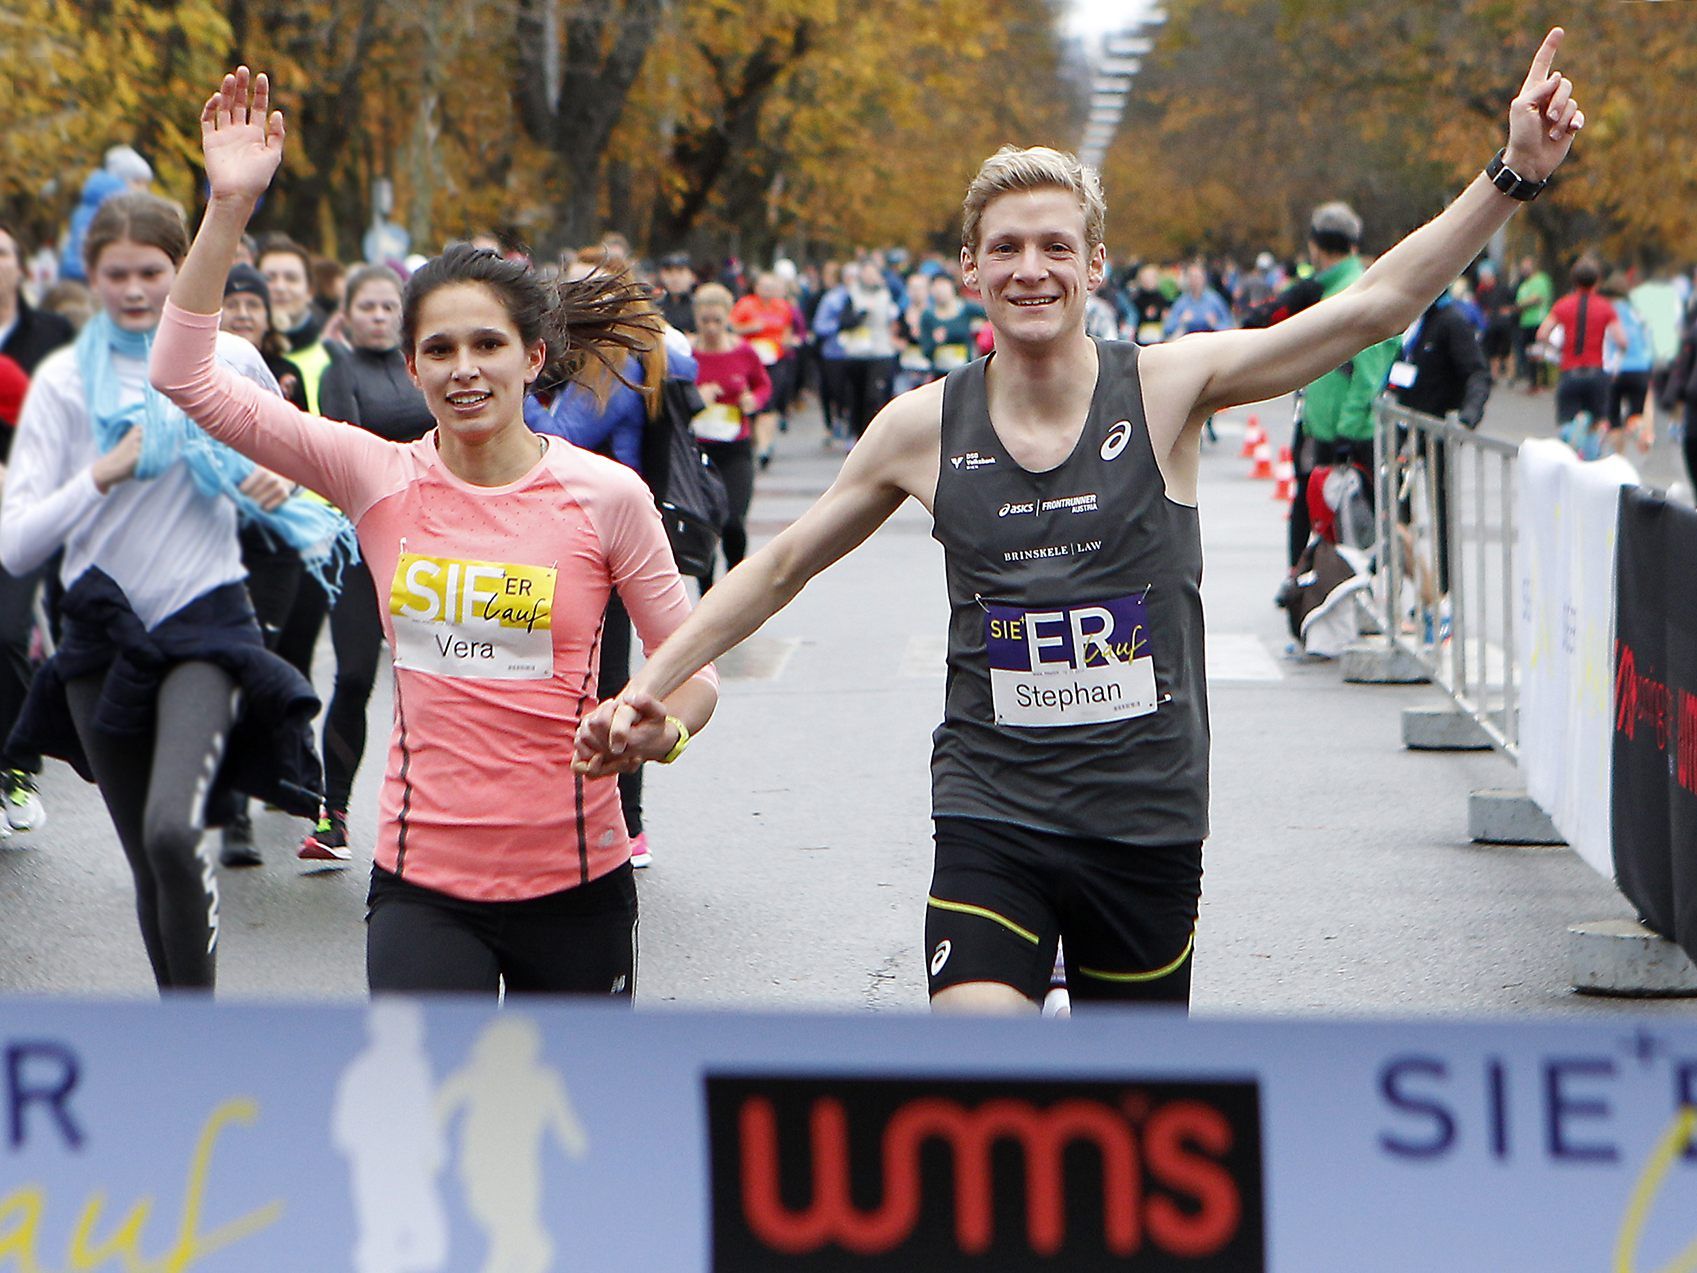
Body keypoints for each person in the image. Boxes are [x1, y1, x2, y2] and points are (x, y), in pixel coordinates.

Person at [575, 30, 1587, 1014]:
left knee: (1121, 1120)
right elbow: (782, 566)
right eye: (1003, 248)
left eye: (1054, 246)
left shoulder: (1167, 386)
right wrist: (646, 685)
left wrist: (1510, 175)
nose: (1030, 269)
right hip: (989, 811)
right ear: (969, 268)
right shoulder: (920, 426)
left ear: (1093, 265)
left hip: (1142, 819)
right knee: (984, 1082)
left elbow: (1370, 307)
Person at [152, 68, 718, 997]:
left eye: (488, 345)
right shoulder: (375, 475)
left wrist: (658, 732)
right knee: (422, 1135)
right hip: (425, 889)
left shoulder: (607, 495)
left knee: (573, 1138)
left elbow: (693, 672)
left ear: (533, 357)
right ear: (410, 365)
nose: (465, 369)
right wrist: (226, 208)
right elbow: (187, 377)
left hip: (579, 882)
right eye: (440, 350)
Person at [0, 191, 349, 992]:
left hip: (207, 624)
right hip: (101, 634)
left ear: (181, 268)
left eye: (152, 271)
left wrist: (278, 481)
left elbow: (302, 468)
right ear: (89, 277)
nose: (133, 289)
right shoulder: (61, 382)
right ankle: (176, 1024)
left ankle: (199, 1028)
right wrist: (102, 473)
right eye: (115, 273)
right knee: (146, 862)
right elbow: (19, 542)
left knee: (169, 832)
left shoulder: (227, 362)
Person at [524, 253, 696, 869]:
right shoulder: (644, 354)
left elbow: (561, 433)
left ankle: (627, 822)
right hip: (593, 535)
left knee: (612, 682)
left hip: (608, 541)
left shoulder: (618, 369)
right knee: (600, 676)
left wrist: (514, 388)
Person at [283, 263, 433, 863]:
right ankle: (333, 815)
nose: (378, 317)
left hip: (425, 545)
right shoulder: (343, 372)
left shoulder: (424, 370)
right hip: (360, 544)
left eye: (388, 308)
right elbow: (348, 446)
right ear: (347, 316)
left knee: (427, 683)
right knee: (351, 677)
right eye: (367, 307)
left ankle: (430, 814)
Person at [216, 263, 314, 865]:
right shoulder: (179, 361)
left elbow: (295, 443)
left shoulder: (261, 364)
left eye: (255, 301)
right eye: (233, 301)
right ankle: (230, 809)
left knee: (259, 661)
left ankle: (268, 780)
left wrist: (282, 473)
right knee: (225, 666)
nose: (244, 311)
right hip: (206, 535)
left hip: (273, 541)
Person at [0, 220, 77, 835]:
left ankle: (18, 765)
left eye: (2, 253)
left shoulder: (50, 336)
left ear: (21, 267)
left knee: (9, 634)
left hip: (27, 514)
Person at [689, 282, 769, 589]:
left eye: (717, 321)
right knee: (704, 524)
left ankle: (734, 583)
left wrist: (754, 400)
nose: (710, 328)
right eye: (704, 321)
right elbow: (671, 393)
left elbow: (763, 385)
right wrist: (696, 397)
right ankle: (707, 593)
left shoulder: (743, 352)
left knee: (733, 521)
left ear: (728, 319)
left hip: (735, 448)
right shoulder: (688, 355)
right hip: (698, 450)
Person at [1537, 254, 1619, 455]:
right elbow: (1622, 339)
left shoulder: (1563, 305)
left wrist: (1557, 349)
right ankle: (1590, 456)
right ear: (1597, 281)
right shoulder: (1605, 307)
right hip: (1596, 371)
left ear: (1573, 280)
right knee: (1598, 420)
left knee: (1566, 418)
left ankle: (1572, 437)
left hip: (1570, 370)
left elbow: (1542, 333)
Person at [258, 236, 337, 412]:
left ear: (310, 291)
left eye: (291, 278)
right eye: (269, 278)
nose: (280, 287)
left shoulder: (333, 356)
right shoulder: (244, 357)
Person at [1601, 271, 1655, 454]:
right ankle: (1641, 437)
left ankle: (1618, 457)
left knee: (1613, 416)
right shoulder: (1637, 311)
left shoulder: (1608, 311)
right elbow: (1648, 337)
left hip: (1616, 369)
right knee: (1636, 414)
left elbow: (1608, 339)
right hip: (1640, 368)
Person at [1513, 254, 1553, 392]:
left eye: (1527, 266)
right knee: (1530, 353)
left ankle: (1544, 382)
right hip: (1526, 322)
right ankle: (1533, 382)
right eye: (1523, 267)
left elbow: (1537, 299)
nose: (1525, 269)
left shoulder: (1541, 279)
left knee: (1539, 352)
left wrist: (1524, 303)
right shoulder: (1524, 285)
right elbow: (1519, 302)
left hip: (1538, 320)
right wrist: (1523, 303)